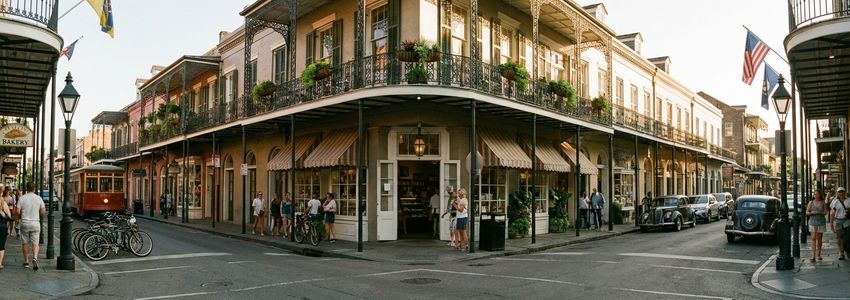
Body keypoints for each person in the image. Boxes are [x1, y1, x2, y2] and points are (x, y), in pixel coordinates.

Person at [16, 183, 44, 270]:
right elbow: (43, 211)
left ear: (26, 188)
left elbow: (17, 211)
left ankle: (26, 261)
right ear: (34, 188)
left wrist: (21, 216)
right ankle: (35, 258)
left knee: (25, 242)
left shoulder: (22, 198)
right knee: (35, 242)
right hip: (35, 223)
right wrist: (37, 213)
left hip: (25, 222)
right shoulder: (38, 198)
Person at [807, 190, 827, 262]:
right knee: (813, 238)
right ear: (813, 195)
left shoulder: (823, 203)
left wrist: (819, 212)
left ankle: (819, 254)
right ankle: (813, 255)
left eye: (817, 194)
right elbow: (807, 212)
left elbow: (825, 212)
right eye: (815, 194)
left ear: (820, 195)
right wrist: (811, 212)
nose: (816, 195)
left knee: (819, 239)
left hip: (821, 222)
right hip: (812, 222)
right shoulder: (811, 202)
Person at [830, 187, 850, 260]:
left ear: (845, 193)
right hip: (838, 220)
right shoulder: (835, 202)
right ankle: (841, 253)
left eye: (842, 192)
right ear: (837, 193)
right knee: (840, 237)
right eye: (839, 192)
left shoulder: (848, 201)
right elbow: (832, 213)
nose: (841, 193)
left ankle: (847, 250)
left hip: (847, 220)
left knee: (847, 237)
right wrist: (831, 224)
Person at [0, 194, 10, 270]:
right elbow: (9, 216)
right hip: (2, 227)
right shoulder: (3, 203)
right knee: (1, 245)